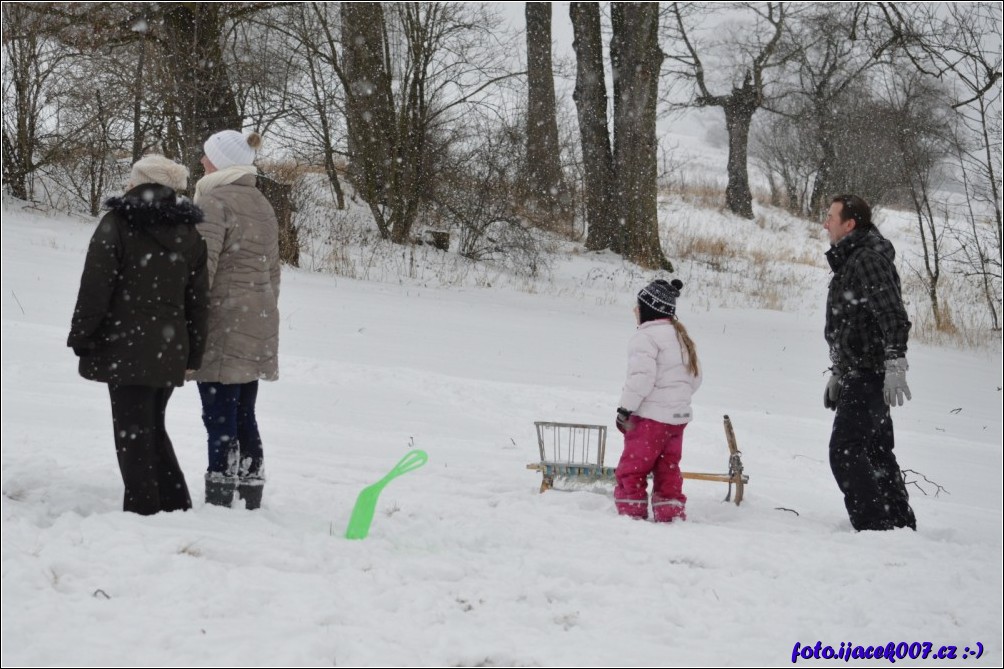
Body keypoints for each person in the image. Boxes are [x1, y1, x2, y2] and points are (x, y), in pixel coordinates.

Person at [67, 155, 209, 515]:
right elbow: (198, 302)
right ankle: (175, 503)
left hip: (124, 344)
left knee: (133, 432)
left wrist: (83, 334)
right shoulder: (189, 234)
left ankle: (144, 509)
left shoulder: (117, 223)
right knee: (150, 426)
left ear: (138, 182)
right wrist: (193, 353)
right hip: (169, 346)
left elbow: (96, 284)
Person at [190, 129, 280, 510]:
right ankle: (250, 487)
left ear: (221, 163)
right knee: (244, 411)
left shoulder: (214, 202)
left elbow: (201, 272)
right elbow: (273, 273)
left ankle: (221, 493)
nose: (201, 162)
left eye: (207, 156)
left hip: (224, 323)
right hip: (256, 318)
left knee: (219, 413)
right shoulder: (261, 202)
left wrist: (189, 322)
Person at [822, 194, 916, 531]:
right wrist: (837, 371)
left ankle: (875, 527)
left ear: (849, 224)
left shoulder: (866, 260)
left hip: (871, 372)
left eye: (831, 216)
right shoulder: (852, 259)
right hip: (858, 371)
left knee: (845, 451)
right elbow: (848, 323)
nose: (825, 223)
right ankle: (899, 524)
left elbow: (892, 314)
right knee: (875, 451)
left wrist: (895, 366)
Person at [613, 279, 702, 522]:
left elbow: (641, 378)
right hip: (677, 421)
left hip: (650, 420)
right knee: (668, 468)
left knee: (633, 467)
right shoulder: (681, 337)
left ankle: (631, 513)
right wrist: (675, 401)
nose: (635, 311)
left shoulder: (645, 337)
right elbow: (695, 378)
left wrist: (625, 409)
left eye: (638, 306)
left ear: (649, 309)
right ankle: (669, 513)